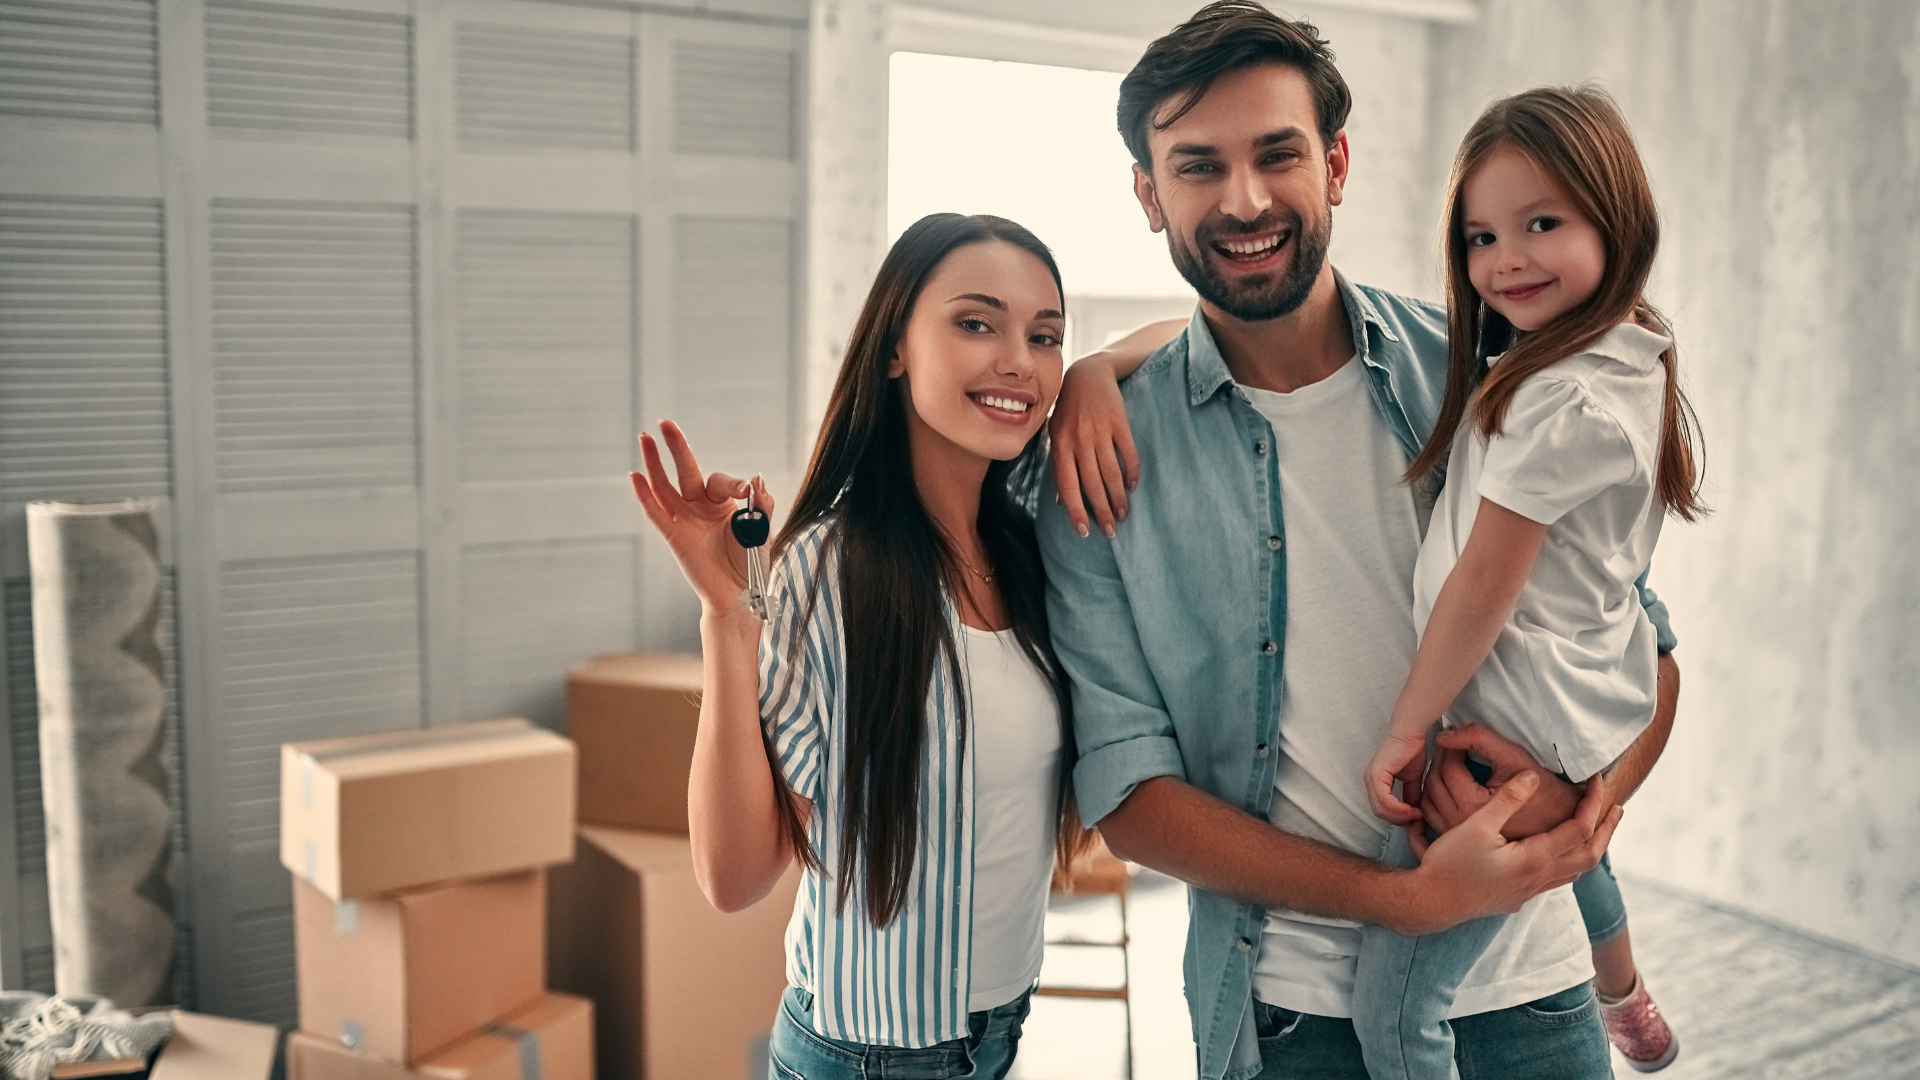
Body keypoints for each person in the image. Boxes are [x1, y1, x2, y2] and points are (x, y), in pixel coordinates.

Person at [1036, 4, 1680, 1078]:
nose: (1244, 200)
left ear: (1335, 163)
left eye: (1276, 154)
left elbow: (1645, 647)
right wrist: (1404, 903)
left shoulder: (1483, 372)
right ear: (1149, 196)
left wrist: (1582, 804)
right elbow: (1129, 800)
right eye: (1198, 167)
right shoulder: (1094, 465)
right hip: (1294, 1025)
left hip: (1541, 996)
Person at [629, 213, 1087, 1080]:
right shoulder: (826, 571)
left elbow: (1182, 341)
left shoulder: (1033, 542)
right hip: (867, 1056)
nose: (1019, 362)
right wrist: (730, 619)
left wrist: (1096, 376)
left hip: (1001, 1033)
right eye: (976, 322)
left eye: (1047, 336)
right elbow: (733, 877)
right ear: (893, 350)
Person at [1351, 86, 1699, 1078]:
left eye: (1541, 223)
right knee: (1575, 833)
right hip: (1569, 702)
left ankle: (1621, 987)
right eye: (1480, 235)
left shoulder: (1563, 400)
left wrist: (1406, 729)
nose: (1505, 260)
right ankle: (1623, 986)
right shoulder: (1622, 353)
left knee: (1395, 1003)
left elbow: (1482, 587)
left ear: (1616, 218)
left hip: (1516, 705)